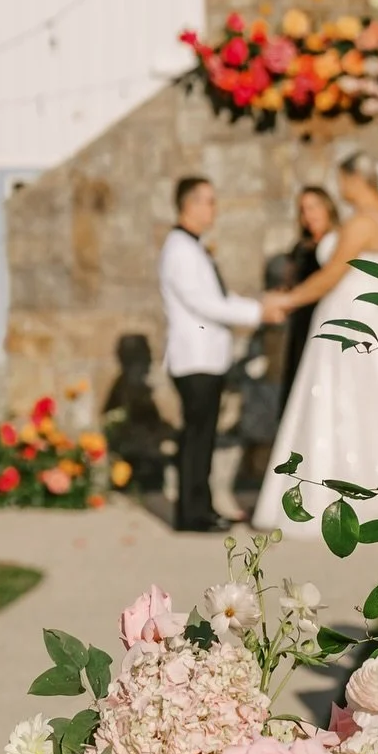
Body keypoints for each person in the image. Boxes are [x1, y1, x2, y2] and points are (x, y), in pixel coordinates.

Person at [252, 151, 378, 531]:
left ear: (356, 180)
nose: (339, 188)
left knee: (347, 401)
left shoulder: (361, 222)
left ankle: (342, 495)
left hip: (354, 323)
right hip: (373, 320)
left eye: (342, 180)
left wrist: (287, 300)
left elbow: (331, 276)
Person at [158, 176, 285, 533]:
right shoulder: (179, 250)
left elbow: (221, 298)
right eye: (209, 201)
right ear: (189, 205)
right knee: (196, 439)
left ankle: (202, 508)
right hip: (194, 359)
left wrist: (259, 307)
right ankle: (192, 515)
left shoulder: (193, 247)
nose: (214, 208)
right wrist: (258, 313)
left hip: (207, 358)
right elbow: (205, 304)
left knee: (204, 437)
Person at [278, 185, 340, 411]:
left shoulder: (339, 244)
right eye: (303, 210)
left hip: (327, 322)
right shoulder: (300, 248)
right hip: (302, 323)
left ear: (328, 208)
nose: (309, 215)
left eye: (314, 207)